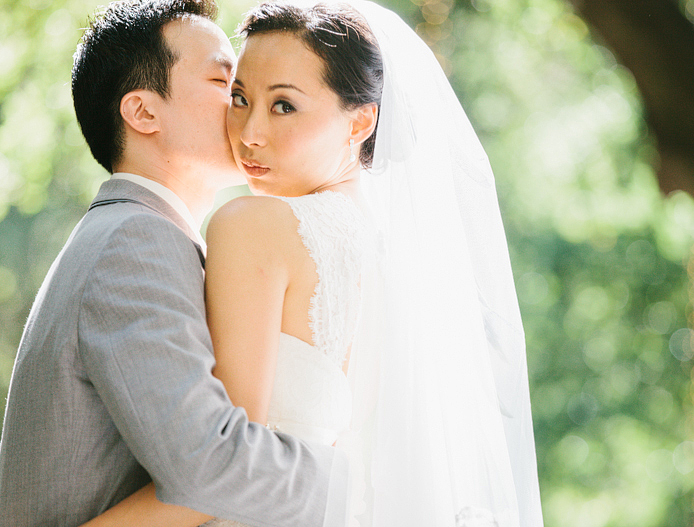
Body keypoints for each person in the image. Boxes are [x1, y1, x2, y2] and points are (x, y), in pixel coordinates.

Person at [83, 1, 544, 526]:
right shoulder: (405, 255)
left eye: (284, 106)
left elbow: (222, 475)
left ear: (361, 121)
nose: (249, 132)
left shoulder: (250, 225)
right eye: (238, 97)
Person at [0, 1, 349, 526]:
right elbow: (207, 462)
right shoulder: (135, 243)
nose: (244, 105)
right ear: (143, 112)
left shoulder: (137, 233)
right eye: (225, 83)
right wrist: (361, 481)